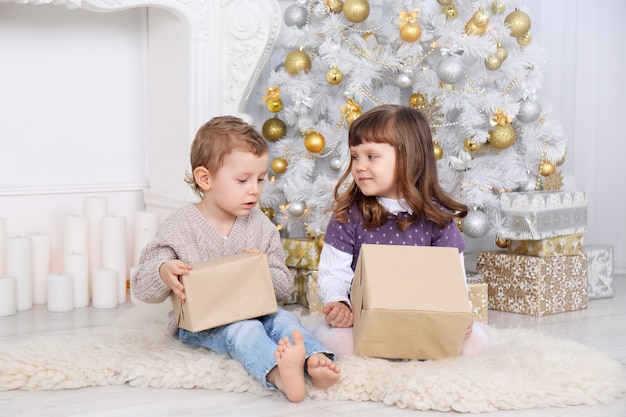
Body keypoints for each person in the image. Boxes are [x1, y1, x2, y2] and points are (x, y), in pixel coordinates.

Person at [131, 115, 340, 402]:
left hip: (258, 309)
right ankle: (279, 374)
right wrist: (164, 271)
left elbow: (282, 289)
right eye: (242, 180)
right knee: (245, 330)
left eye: (260, 179)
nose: (254, 189)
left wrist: (263, 268)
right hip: (203, 324)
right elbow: (143, 286)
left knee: (284, 318)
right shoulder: (179, 226)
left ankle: (315, 360)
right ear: (205, 179)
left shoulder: (261, 227)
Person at [313, 104, 489, 359]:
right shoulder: (349, 214)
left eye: (371, 156)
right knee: (340, 344)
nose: (359, 166)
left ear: (411, 158)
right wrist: (340, 303)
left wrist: (459, 314)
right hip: (366, 321)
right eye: (355, 156)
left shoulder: (437, 219)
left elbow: (452, 278)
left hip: (421, 319)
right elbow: (333, 271)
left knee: (475, 344)